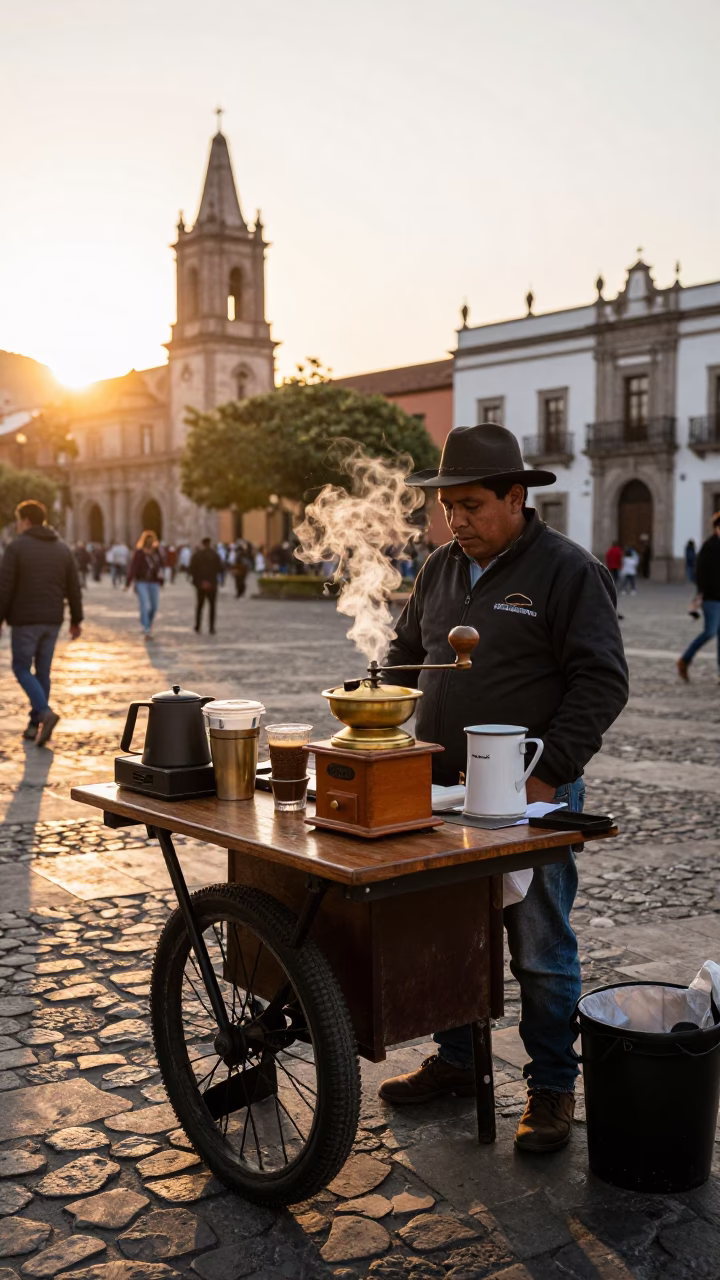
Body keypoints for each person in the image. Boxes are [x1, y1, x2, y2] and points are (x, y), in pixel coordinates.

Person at [376, 423, 628, 1154]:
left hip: (533, 797)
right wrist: (380, 721)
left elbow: (601, 682)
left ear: (516, 497)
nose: (456, 520)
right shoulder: (438, 570)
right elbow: (402, 656)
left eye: (473, 505)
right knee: (452, 935)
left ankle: (551, 1086)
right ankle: (459, 1062)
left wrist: (547, 774)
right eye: (447, 505)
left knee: (541, 945)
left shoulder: (567, 572)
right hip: (441, 789)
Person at [0, 499, 83, 745]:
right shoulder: (62, 548)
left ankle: (45, 714)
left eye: (18, 521)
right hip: (53, 619)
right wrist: (76, 619)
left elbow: (5, 587)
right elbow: (74, 587)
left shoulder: (16, 547)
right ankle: (33, 725)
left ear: (26, 520)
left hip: (25, 620)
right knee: (43, 671)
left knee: (22, 668)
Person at [677, 512, 720, 683]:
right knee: (710, 632)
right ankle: (684, 660)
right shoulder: (709, 546)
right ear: (717, 527)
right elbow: (700, 572)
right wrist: (702, 593)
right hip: (711, 597)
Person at [126, 530, 163, 640]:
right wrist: (128, 582)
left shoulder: (156, 553)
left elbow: (161, 566)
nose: (150, 542)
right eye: (148, 540)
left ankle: (148, 624)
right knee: (145, 605)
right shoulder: (139, 553)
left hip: (154, 582)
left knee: (154, 606)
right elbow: (133, 567)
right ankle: (146, 628)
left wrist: (161, 579)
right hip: (141, 582)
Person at [190, 537, 222, 634]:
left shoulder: (197, 555)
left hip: (200, 584)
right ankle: (212, 627)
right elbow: (220, 568)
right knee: (212, 606)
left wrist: (198, 582)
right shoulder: (215, 555)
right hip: (212, 584)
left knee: (200, 606)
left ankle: (197, 626)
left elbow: (192, 569)